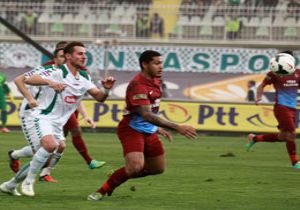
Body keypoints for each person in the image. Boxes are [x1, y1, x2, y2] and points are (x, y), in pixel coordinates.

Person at [0, 41, 116, 197]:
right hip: (41, 116)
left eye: (85, 54)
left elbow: (99, 97)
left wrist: (107, 89)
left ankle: (11, 184)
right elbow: (27, 79)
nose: (84, 57)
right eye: (80, 53)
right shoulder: (54, 71)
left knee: (52, 152)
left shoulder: (84, 76)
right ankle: (29, 181)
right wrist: (50, 83)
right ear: (68, 56)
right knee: (49, 146)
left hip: (57, 122)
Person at [87, 50, 197, 201]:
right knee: (135, 167)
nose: (161, 67)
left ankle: (119, 174)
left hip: (148, 129)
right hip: (131, 129)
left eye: (161, 63)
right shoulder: (138, 85)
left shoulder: (156, 81)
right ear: (145, 64)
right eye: (156, 63)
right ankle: (102, 190)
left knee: (157, 169)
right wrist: (177, 127)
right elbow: (146, 114)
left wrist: (156, 128)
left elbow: (150, 111)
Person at [246, 51, 300, 169]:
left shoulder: (298, 73)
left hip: (292, 108)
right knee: (291, 134)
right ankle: (295, 162)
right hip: (281, 107)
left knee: (283, 137)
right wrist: (259, 97)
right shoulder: (273, 73)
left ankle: (255, 138)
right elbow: (262, 85)